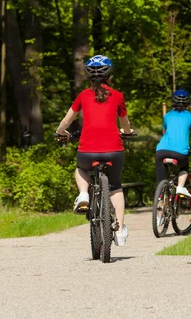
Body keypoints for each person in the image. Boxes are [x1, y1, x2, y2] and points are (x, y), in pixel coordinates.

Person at [55, 55, 133, 246]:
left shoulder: (83, 96)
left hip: (88, 151)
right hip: (114, 150)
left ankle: (83, 194)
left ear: (89, 78)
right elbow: (125, 123)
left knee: (81, 168)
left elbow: (68, 119)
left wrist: (60, 132)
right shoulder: (118, 96)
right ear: (109, 76)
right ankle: (120, 230)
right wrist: (128, 133)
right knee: (115, 186)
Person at [155, 89, 191, 197]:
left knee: (160, 182)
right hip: (180, 152)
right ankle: (181, 187)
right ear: (187, 102)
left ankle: (159, 207)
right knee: (184, 167)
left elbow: (164, 133)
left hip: (161, 151)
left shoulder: (167, 116)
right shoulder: (190, 117)